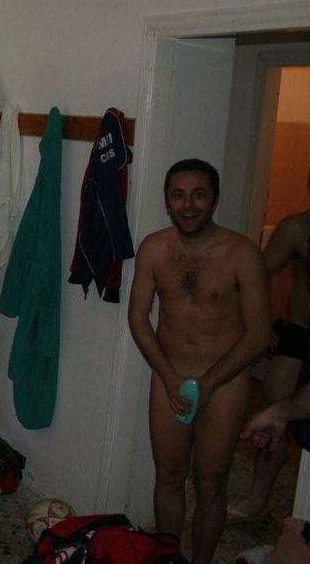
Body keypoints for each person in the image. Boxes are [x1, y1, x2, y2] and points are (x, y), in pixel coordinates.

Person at [128, 158, 272, 564]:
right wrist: (168, 374)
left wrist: (208, 383)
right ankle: (169, 557)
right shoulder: (154, 249)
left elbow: (259, 332)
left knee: (210, 481)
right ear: (167, 202)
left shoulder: (242, 254)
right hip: (169, 376)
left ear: (214, 199)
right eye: (178, 195)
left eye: (198, 194)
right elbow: (138, 316)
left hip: (225, 381)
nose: (188, 204)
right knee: (168, 475)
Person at [229, 204, 310, 522]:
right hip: (300, 331)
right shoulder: (296, 228)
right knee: (277, 408)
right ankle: (257, 499)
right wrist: (261, 322)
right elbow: (257, 276)